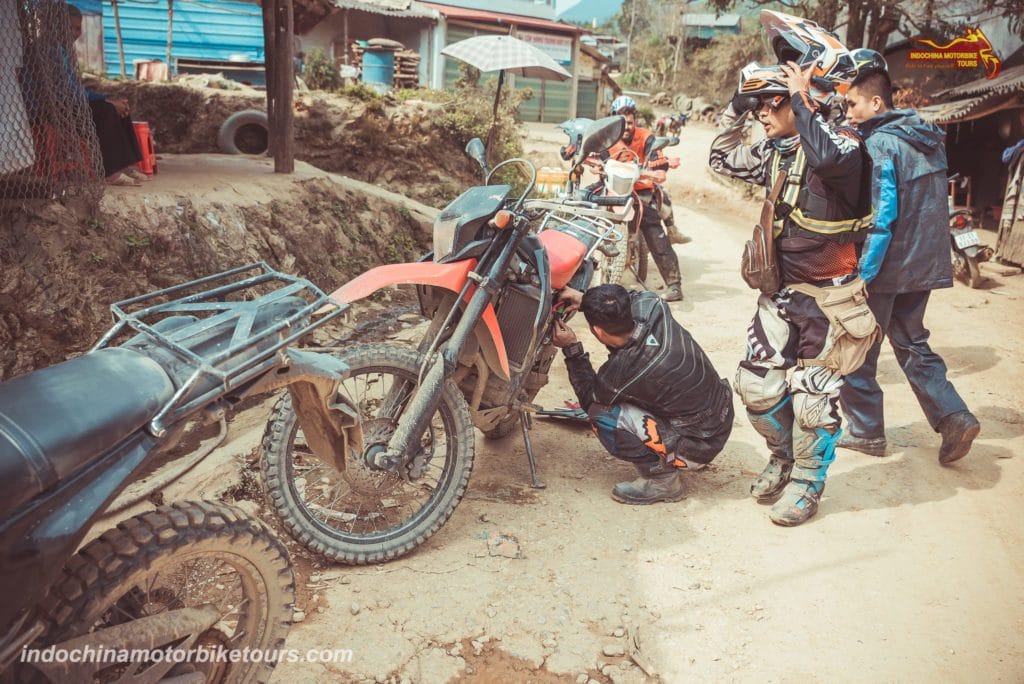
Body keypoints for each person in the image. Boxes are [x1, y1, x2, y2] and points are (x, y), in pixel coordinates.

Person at [708, 11, 873, 526]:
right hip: (781, 295)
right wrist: (741, 107)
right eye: (761, 104)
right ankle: (783, 460)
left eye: (770, 102)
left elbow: (826, 156)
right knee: (755, 386)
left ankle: (807, 484)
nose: (763, 111)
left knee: (812, 401)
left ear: (812, 94)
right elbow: (720, 161)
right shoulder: (781, 153)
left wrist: (804, 97)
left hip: (831, 302)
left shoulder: (847, 147)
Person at [839, 53, 980, 464]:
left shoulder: (880, 143)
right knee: (913, 344)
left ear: (876, 104)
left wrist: (864, 272)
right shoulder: (927, 138)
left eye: (852, 104)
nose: (848, 111)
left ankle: (866, 432)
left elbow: (883, 215)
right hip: (923, 264)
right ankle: (954, 416)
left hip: (889, 266)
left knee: (859, 344)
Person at [551, 284, 733, 504]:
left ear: (598, 331)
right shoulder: (653, 305)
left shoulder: (626, 370)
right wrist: (586, 300)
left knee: (602, 414)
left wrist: (572, 349)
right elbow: (629, 296)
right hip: (718, 418)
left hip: (697, 448)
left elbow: (589, 398)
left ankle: (662, 479)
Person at [606, 95, 684, 301]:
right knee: (590, 210)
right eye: (622, 122)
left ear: (635, 120)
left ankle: (674, 285)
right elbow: (592, 150)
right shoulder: (607, 137)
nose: (627, 127)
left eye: (630, 122)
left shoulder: (646, 136)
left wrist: (659, 162)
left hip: (640, 189)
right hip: (613, 188)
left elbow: (657, 153)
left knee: (654, 231)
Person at [67, 4, 148, 186]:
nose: (75, 32)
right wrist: (105, 100)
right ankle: (110, 171)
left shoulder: (65, 52)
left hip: (69, 103)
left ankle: (126, 164)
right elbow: (70, 92)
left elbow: (74, 89)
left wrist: (109, 99)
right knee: (107, 109)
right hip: (55, 109)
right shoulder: (52, 51)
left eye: (78, 28)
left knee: (120, 106)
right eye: (70, 27)